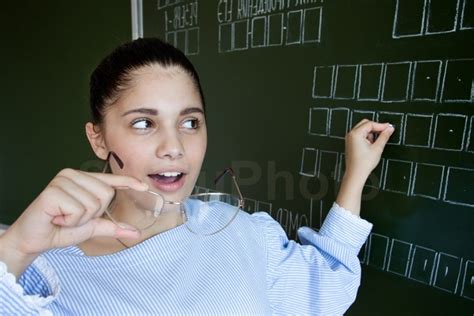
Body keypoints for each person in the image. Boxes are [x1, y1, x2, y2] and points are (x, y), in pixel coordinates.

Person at [0, 38, 394, 315]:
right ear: (98, 138)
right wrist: (15, 250)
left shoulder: (241, 230)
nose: (173, 146)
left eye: (190, 122)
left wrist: (355, 176)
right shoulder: (37, 269)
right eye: (143, 123)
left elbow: (323, 287)